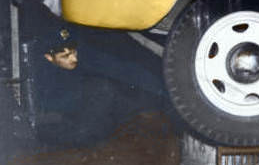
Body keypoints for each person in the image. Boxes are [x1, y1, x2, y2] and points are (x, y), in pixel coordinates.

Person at [33, 25, 167, 149]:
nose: (73, 58)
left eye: (74, 52)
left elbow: (118, 70)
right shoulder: (41, 76)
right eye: (65, 56)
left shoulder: (81, 61)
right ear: (49, 57)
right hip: (69, 123)